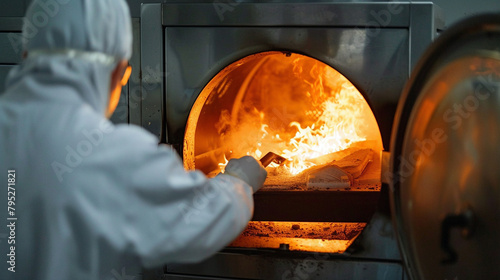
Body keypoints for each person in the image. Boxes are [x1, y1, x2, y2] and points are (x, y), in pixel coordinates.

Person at [0, 0, 267, 279]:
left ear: (27, 54)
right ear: (117, 71)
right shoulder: (108, 153)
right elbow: (200, 219)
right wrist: (239, 181)